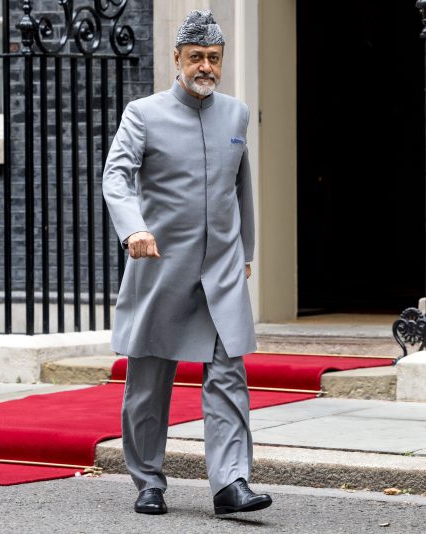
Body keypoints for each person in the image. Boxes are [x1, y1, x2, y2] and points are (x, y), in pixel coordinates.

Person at [102, 9, 272, 516]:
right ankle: (148, 480)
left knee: (228, 372)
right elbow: (116, 176)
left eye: (214, 58)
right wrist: (133, 228)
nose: (206, 67)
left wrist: (246, 252)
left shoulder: (236, 114)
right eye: (196, 57)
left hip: (220, 268)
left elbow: (241, 187)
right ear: (176, 57)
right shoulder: (142, 114)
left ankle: (231, 482)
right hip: (161, 265)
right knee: (149, 379)